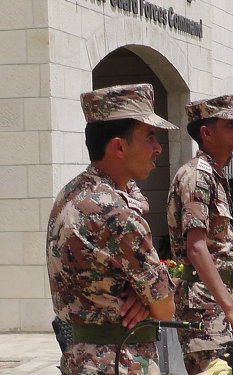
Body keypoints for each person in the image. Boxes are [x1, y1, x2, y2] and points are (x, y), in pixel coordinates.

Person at [46, 83, 176, 374]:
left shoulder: (72, 193)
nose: (157, 149)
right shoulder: (115, 215)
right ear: (119, 146)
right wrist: (150, 296)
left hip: (81, 359)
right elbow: (165, 309)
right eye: (150, 137)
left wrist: (146, 296)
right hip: (120, 361)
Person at [166, 95, 233, 374]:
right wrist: (230, 309)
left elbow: (217, 252)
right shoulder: (197, 176)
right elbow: (197, 249)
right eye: (230, 124)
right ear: (206, 132)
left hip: (217, 304)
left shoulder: (215, 176)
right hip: (203, 311)